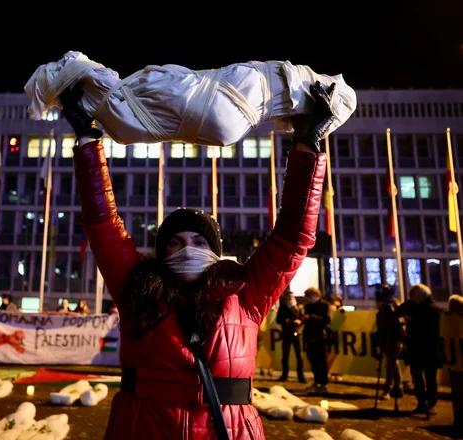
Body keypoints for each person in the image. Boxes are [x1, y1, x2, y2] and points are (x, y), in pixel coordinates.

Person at [61, 80, 333, 439]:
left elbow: (293, 236)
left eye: (198, 240)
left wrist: (308, 146)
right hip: (144, 427)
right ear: (161, 253)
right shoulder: (136, 288)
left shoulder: (247, 293)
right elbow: (102, 225)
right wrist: (86, 140)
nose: (187, 248)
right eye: (174, 242)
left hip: (228, 430)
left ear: (215, 252)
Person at [398, 283, 442, 415]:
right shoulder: (414, 306)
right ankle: (422, 402)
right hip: (416, 348)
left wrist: (411, 321)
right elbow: (399, 312)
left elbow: (430, 330)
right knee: (417, 377)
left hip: (428, 349)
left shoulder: (432, 309)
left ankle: (430, 403)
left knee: (430, 378)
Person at [374, 284, 404, 400]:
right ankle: (396, 388)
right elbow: (381, 328)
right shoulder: (381, 314)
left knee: (391, 364)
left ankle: (390, 389)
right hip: (387, 341)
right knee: (392, 364)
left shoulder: (391, 312)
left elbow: (397, 326)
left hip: (393, 341)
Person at [301, 287, 331, 395]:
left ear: (316, 296)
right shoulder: (308, 306)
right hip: (310, 336)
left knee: (322, 361)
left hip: (320, 337)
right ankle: (316, 381)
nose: (308, 299)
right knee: (313, 361)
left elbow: (326, 320)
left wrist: (312, 317)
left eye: (309, 297)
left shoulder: (324, 305)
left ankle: (323, 384)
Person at [276, 291, 306, 383]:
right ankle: (285, 374)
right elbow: (278, 320)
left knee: (299, 356)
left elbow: (303, 318)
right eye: (288, 297)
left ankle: (301, 376)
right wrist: (285, 321)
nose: (290, 299)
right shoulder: (283, 308)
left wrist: (300, 321)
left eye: (292, 297)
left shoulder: (299, 308)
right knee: (285, 355)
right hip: (286, 333)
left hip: (297, 333)